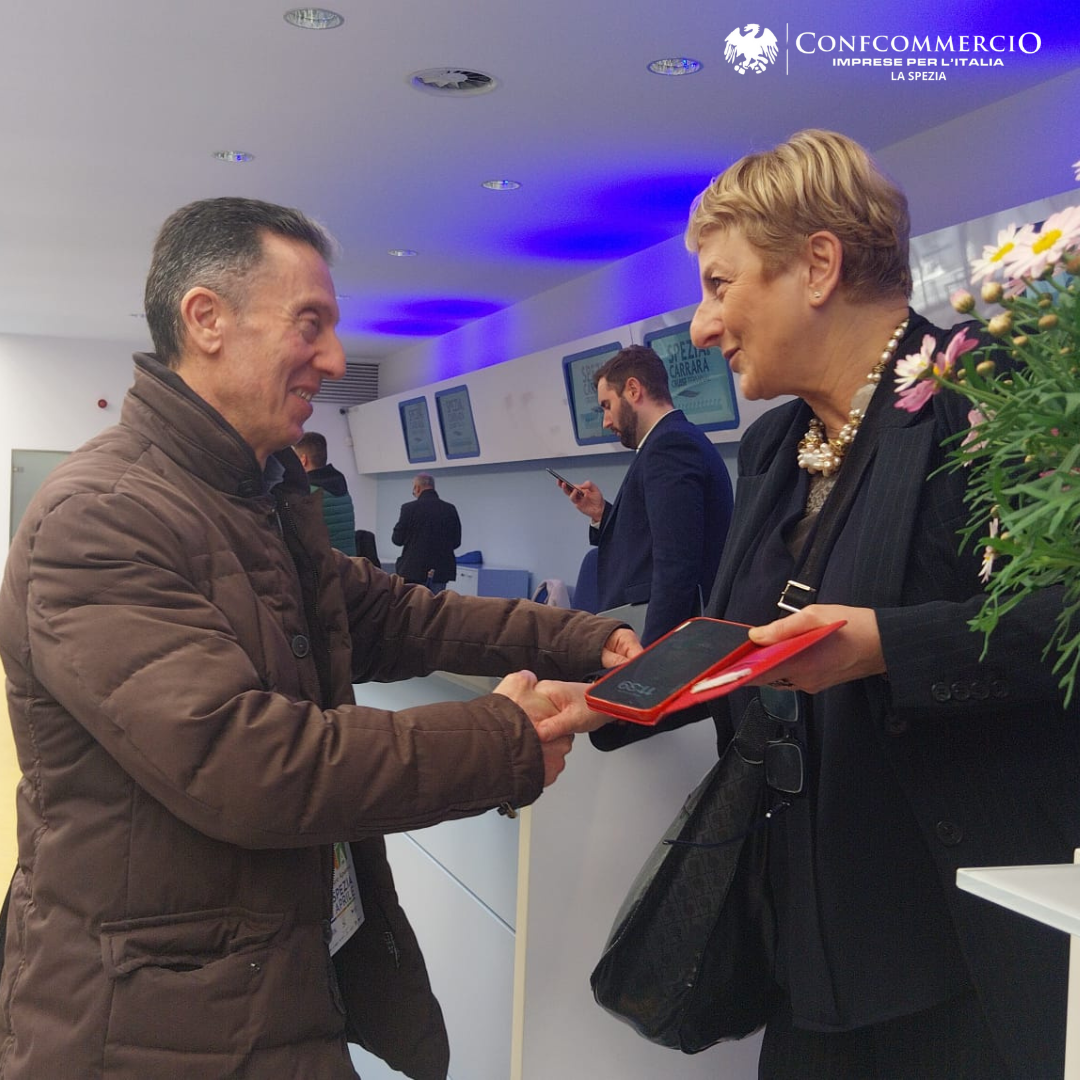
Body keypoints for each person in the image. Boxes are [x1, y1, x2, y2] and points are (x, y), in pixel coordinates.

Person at [0, 196, 639, 1080]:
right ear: (205, 319)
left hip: (258, 985)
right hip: (148, 1022)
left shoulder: (249, 502)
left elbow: (399, 615)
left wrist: (585, 639)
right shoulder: (102, 518)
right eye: (311, 324)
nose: (335, 361)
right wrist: (502, 739)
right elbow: (251, 765)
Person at [540, 130, 1080, 1079]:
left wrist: (888, 646)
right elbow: (740, 641)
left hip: (954, 946)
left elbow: (1064, 622)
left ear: (819, 265)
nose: (702, 328)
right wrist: (606, 701)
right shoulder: (773, 446)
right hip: (808, 927)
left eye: (720, 285)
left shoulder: (989, 398)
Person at [554, 344, 733, 645]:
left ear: (634, 390)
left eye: (607, 406)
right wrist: (602, 513)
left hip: (670, 639)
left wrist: (651, 656)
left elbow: (675, 566)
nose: (605, 421)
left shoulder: (669, 446)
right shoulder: (668, 442)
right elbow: (657, 534)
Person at [391, 473, 462, 592]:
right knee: (437, 603)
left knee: (414, 603)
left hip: (413, 570)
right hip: (440, 571)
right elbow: (456, 542)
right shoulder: (450, 509)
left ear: (417, 488)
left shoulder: (408, 509)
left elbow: (397, 539)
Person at [295, 430, 358, 555]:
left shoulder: (308, 493)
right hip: (348, 561)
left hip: (324, 563)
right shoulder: (341, 487)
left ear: (303, 459)